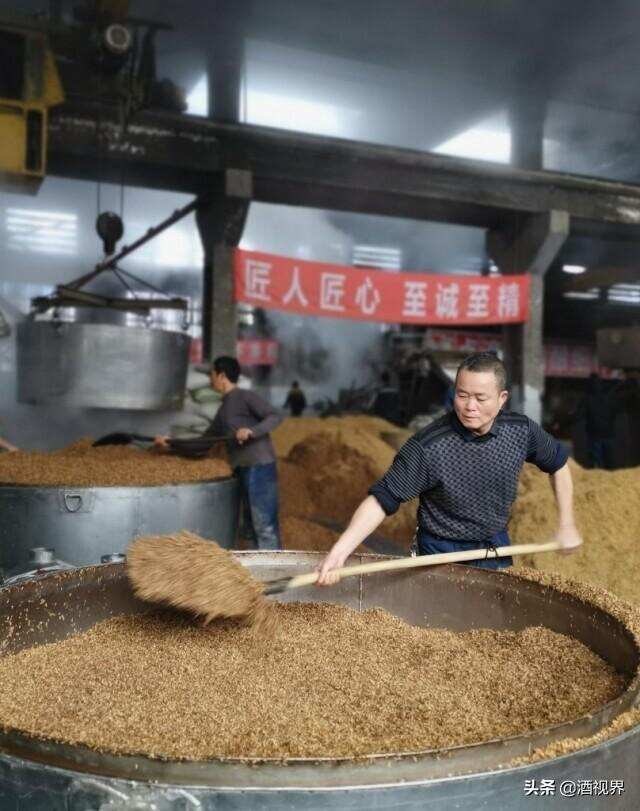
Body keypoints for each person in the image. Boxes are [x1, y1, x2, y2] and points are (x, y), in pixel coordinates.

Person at [317, 352, 582, 585]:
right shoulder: (429, 446)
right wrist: (340, 552)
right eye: (462, 395)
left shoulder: (521, 431)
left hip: (494, 546)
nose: (469, 406)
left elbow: (558, 465)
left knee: (491, 625)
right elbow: (382, 498)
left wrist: (567, 524)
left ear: (502, 399)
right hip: (439, 550)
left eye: (480, 397)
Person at [155, 356, 283, 550]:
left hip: (260, 467)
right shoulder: (224, 410)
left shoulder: (244, 396)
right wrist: (170, 444)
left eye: (212, 374)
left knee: (264, 527)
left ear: (222, 376)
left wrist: (252, 431)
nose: (210, 379)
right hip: (243, 470)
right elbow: (203, 443)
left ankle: (275, 577)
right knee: (248, 528)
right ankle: (257, 575)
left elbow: (275, 415)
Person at [576, 373, 618, 469]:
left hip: (595, 436)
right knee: (609, 464)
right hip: (607, 434)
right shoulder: (608, 398)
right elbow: (614, 413)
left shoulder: (587, 399)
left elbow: (579, 416)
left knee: (596, 464)